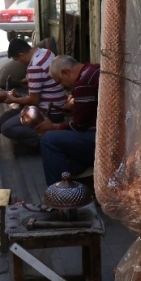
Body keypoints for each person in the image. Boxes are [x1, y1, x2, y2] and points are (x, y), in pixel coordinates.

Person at [0, 38, 66, 147]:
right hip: (57, 104)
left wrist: (12, 99)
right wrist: (31, 81)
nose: (19, 63)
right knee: (10, 114)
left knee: (7, 127)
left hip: (49, 111)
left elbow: (34, 101)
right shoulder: (46, 52)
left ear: (21, 55)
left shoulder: (34, 66)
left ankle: (45, 139)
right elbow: (46, 77)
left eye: (17, 60)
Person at [36, 55, 100, 186]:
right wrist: (73, 108)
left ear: (66, 72)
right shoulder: (94, 69)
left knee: (48, 140)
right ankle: (74, 173)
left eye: (60, 82)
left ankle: (59, 196)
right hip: (106, 134)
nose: (62, 87)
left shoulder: (84, 84)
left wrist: (53, 126)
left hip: (101, 139)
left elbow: (77, 127)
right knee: (69, 163)